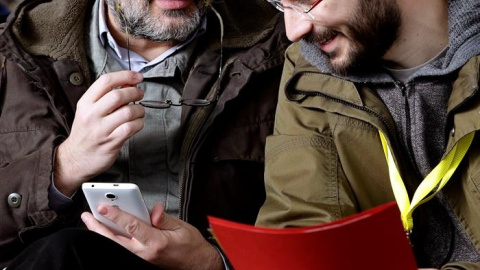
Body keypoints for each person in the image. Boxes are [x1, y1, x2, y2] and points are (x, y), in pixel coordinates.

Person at [0, 0, 289, 268]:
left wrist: (213, 262)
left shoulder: (283, 43)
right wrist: (66, 164)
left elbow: (310, 227)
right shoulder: (15, 52)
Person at [256, 0, 480, 269]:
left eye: (304, 2)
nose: (293, 31)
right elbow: (300, 228)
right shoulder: (306, 70)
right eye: (280, 5)